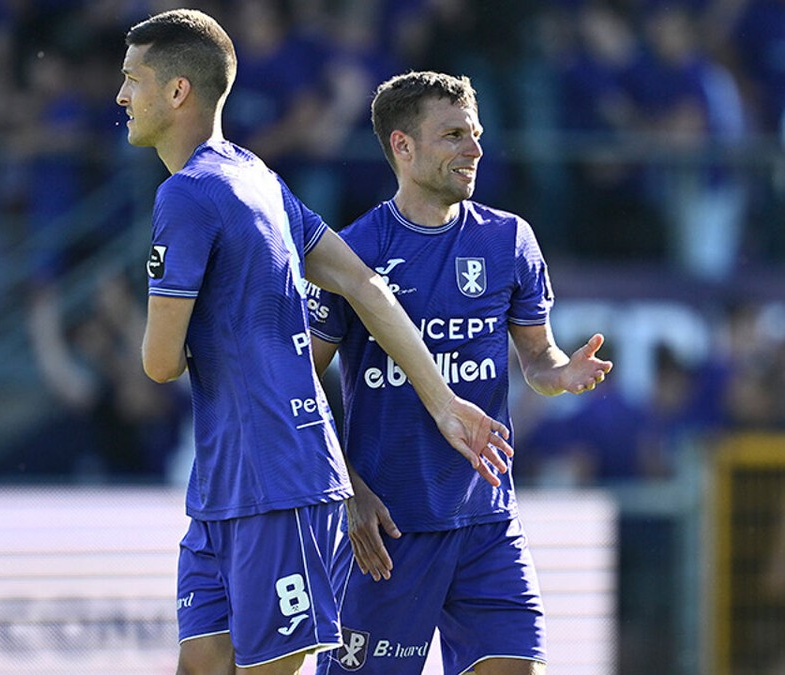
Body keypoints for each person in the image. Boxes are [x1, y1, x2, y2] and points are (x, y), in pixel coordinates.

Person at [117, 11, 511, 674]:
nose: (121, 95)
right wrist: (442, 401)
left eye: (133, 79)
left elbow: (159, 363)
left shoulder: (185, 196)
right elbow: (363, 283)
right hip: (229, 480)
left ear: (178, 91)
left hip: (277, 482)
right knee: (201, 665)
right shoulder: (256, 175)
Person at [308, 70, 612, 675]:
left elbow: (537, 357)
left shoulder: (509, 240)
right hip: (389, 529)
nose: (474, 150)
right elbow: (304, 383)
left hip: (487, 520)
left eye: (475, 135)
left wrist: (560, 372)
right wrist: (348, 489)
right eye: (453, 135)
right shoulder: (354, 252)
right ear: (402, 146)